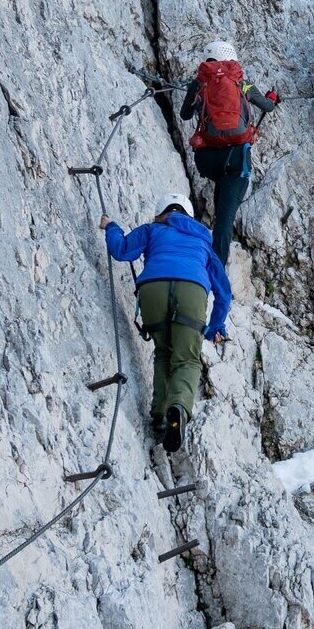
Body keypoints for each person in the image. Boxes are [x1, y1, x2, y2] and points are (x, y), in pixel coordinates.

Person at [100, 193, 232, 453]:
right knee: (187, 359)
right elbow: (224, 292)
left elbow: (121, 250)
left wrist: (111, 226)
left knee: (163, 352)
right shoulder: (204, 242)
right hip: (191, 291)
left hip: (154, 289)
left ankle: (159, 417)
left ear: (162, 213)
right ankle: (178, 407)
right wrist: (216, 326)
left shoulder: (153, 229)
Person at [179, 40, 279, 263]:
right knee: (225, 221)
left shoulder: (200, 82)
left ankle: (209, 257)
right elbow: (267, 106)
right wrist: (272, 99)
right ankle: (216, 276)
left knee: (221, 197)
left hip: (206, 160)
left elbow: (185, 115)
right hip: (235, 158)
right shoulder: (240, 80)